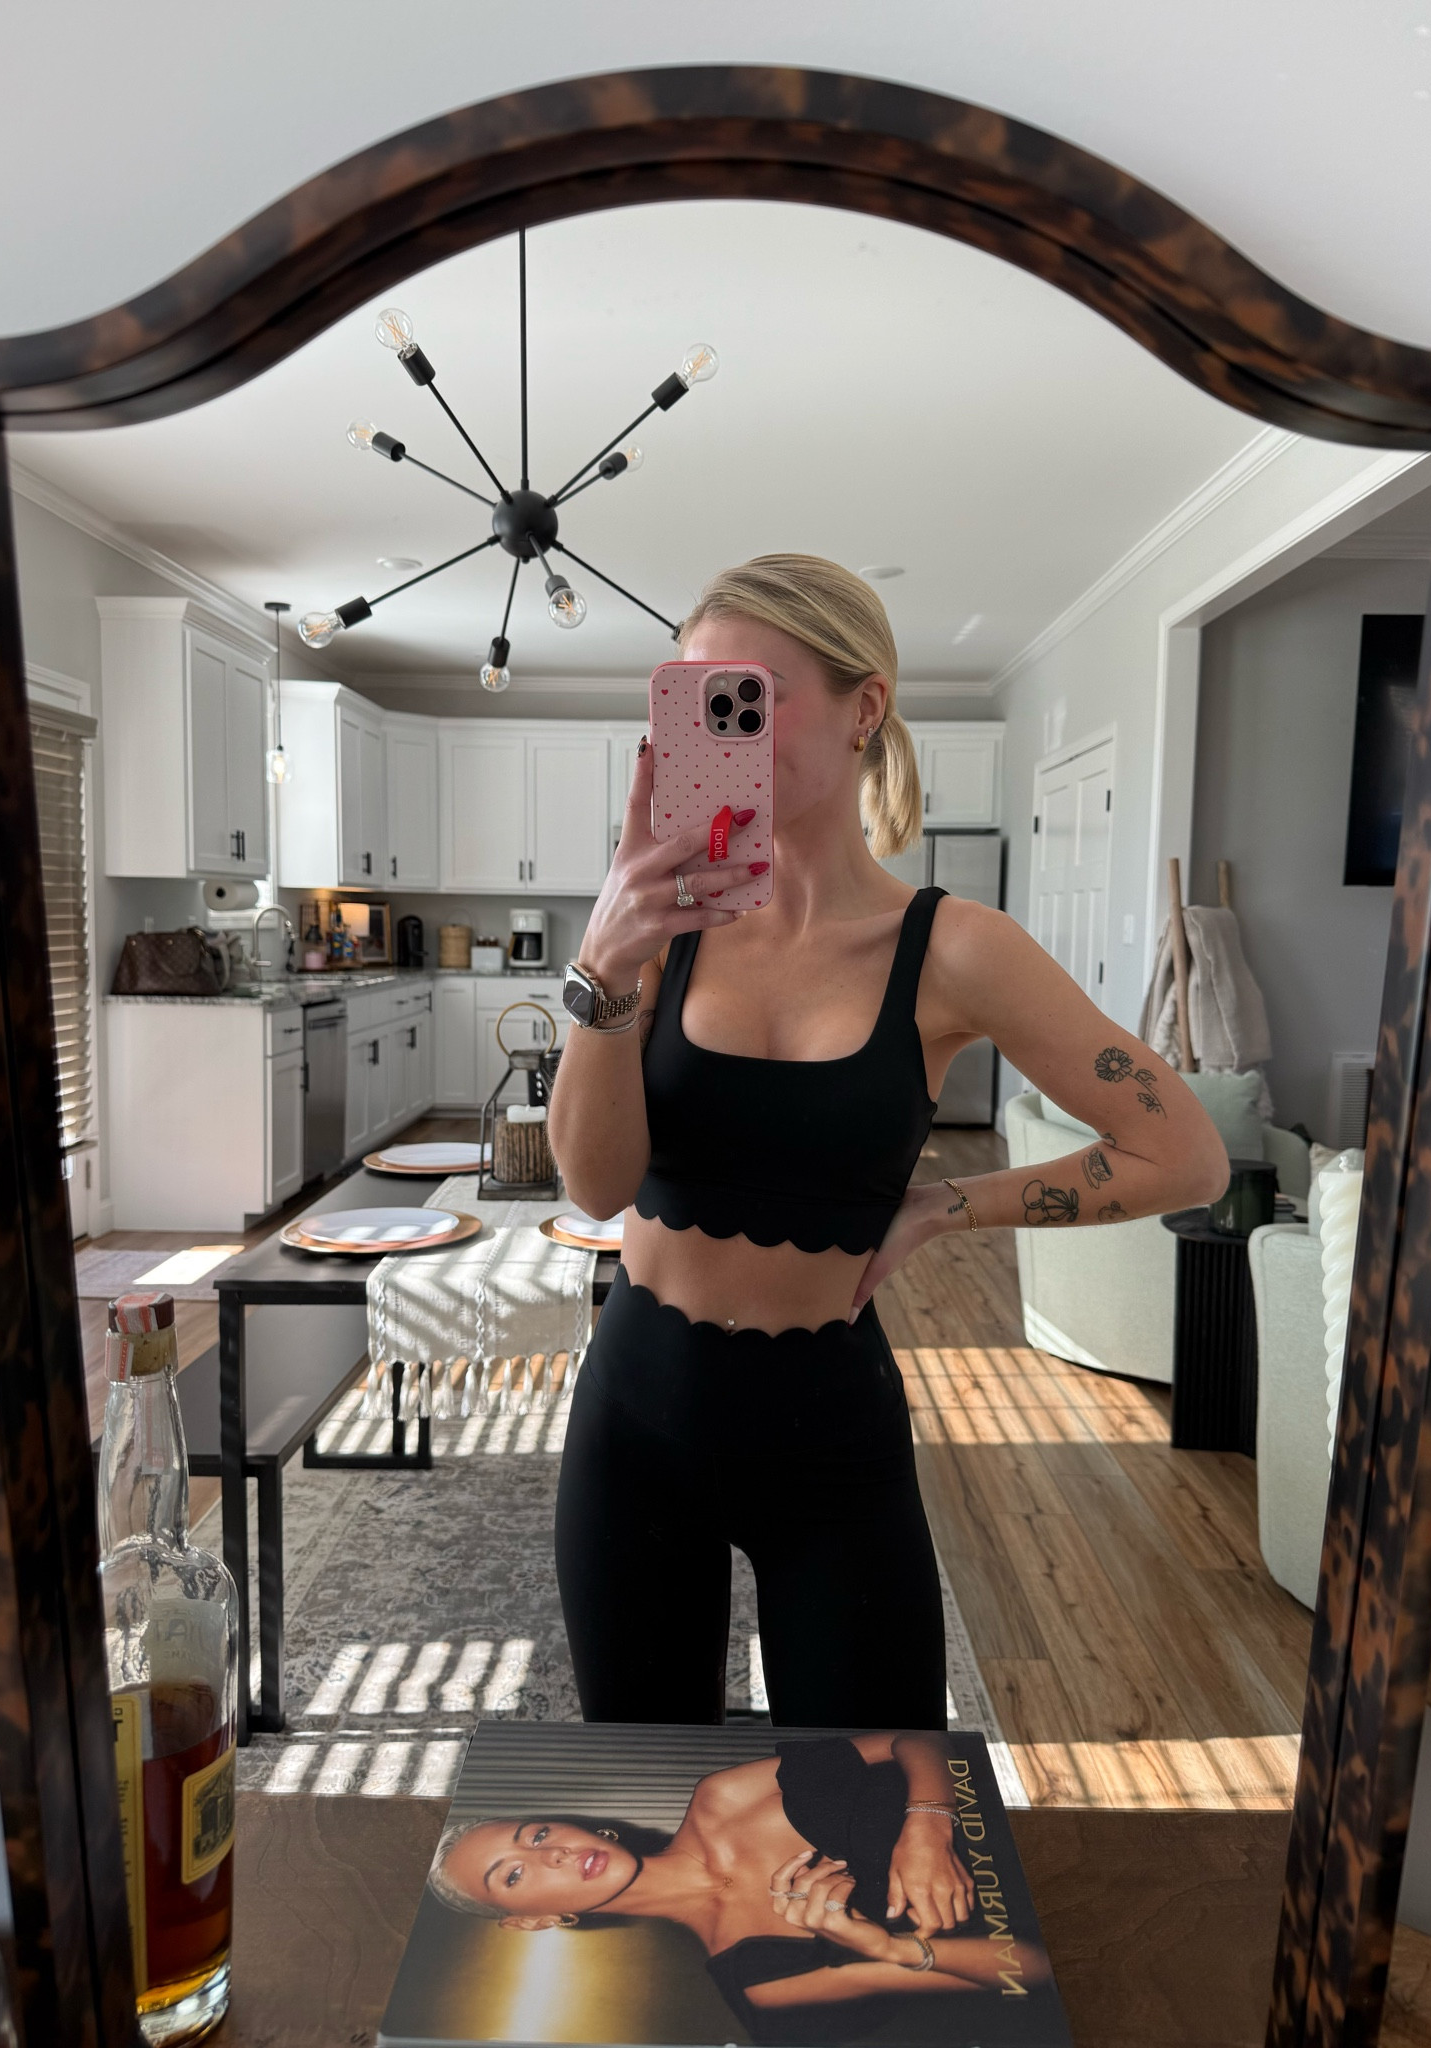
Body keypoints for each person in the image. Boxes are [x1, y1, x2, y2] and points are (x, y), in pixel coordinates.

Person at [548, 554, 1228, 1729]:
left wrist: (948, 1207)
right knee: (645, 1793)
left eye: (750, 696)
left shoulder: (956, 948)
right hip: (635, 1421)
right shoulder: (662, 921)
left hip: (830, 1435)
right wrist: (605, 964)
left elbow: (1187, 1153)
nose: (718, 729)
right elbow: (595, 1184)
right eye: (694, 700)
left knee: (872, 1801)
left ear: (864, 707)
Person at [427, 1730, 1053, 2042]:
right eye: (515, 1874)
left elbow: (915, 1740)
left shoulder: (723, 1797)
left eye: (537, 1834)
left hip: (1033, 1808)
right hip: (1062, 1898)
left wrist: (928, 1826)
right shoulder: (760, 1979)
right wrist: (883, 1948)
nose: (555, 1853)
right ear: (532, 1921)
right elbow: (1032, 1968)